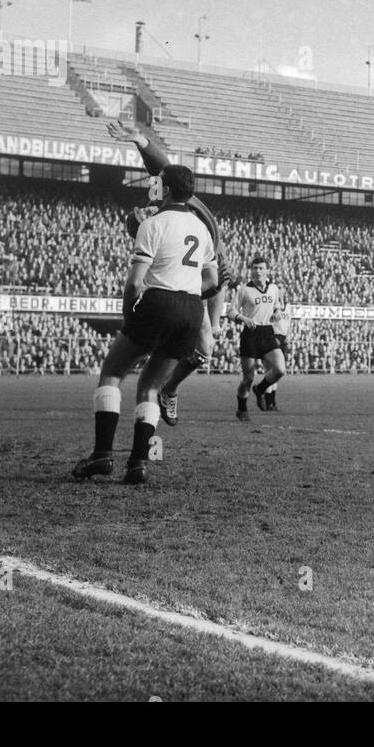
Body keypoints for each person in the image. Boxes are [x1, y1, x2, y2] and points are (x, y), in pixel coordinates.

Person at [73, 164, 218, 485]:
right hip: (191, 310)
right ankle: (138, 463)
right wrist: (190, 295)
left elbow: (134, 283)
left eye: (158, 184)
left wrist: (130, 315)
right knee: (150, 387)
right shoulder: (202, 229)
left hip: (158, 303)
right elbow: (212, 280)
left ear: (165, 190)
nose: (154, 188)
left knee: (112, 373)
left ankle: (101, 456)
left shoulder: (153, 224)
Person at [108, 121, 231, 425]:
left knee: (205, 349)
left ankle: (169, 388)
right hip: (184, 289)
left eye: (145, 210)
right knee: (201, 347)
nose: (147, 211)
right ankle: (160, 388)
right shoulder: (160, 226)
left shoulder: (177, 206)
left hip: (197, 285)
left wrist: (140, 141)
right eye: (142, 217)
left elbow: (162, 168)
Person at [231, 255, 286, 416]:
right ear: (251, 270)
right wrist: (243, 318)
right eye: (255, 268)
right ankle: (242, 408)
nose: (258, 271)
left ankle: (260, 389)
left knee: (280, 369)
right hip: (251, 334)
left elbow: (276, 306)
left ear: (267, 270)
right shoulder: (245, 289)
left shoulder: (273, 288)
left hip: (268, 332)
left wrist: (277, 312)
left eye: (261, 268)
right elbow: (231, 310)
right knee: (248, 377)